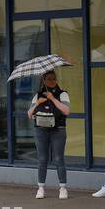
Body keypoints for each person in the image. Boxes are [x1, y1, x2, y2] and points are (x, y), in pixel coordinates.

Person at [27, 69, 72, 198]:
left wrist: (52, 99)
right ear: (44, 81)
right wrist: (37, 104)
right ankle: (41, 188)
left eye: (53, 79)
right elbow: (29, 114)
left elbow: (66, 111)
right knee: (42, 159)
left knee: (58, 159)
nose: (51, 81)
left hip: (58, 129)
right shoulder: (38, 95)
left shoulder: (63, 94)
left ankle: (63, 188)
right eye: (48, 79)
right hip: (41, 130)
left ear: (56, 80)